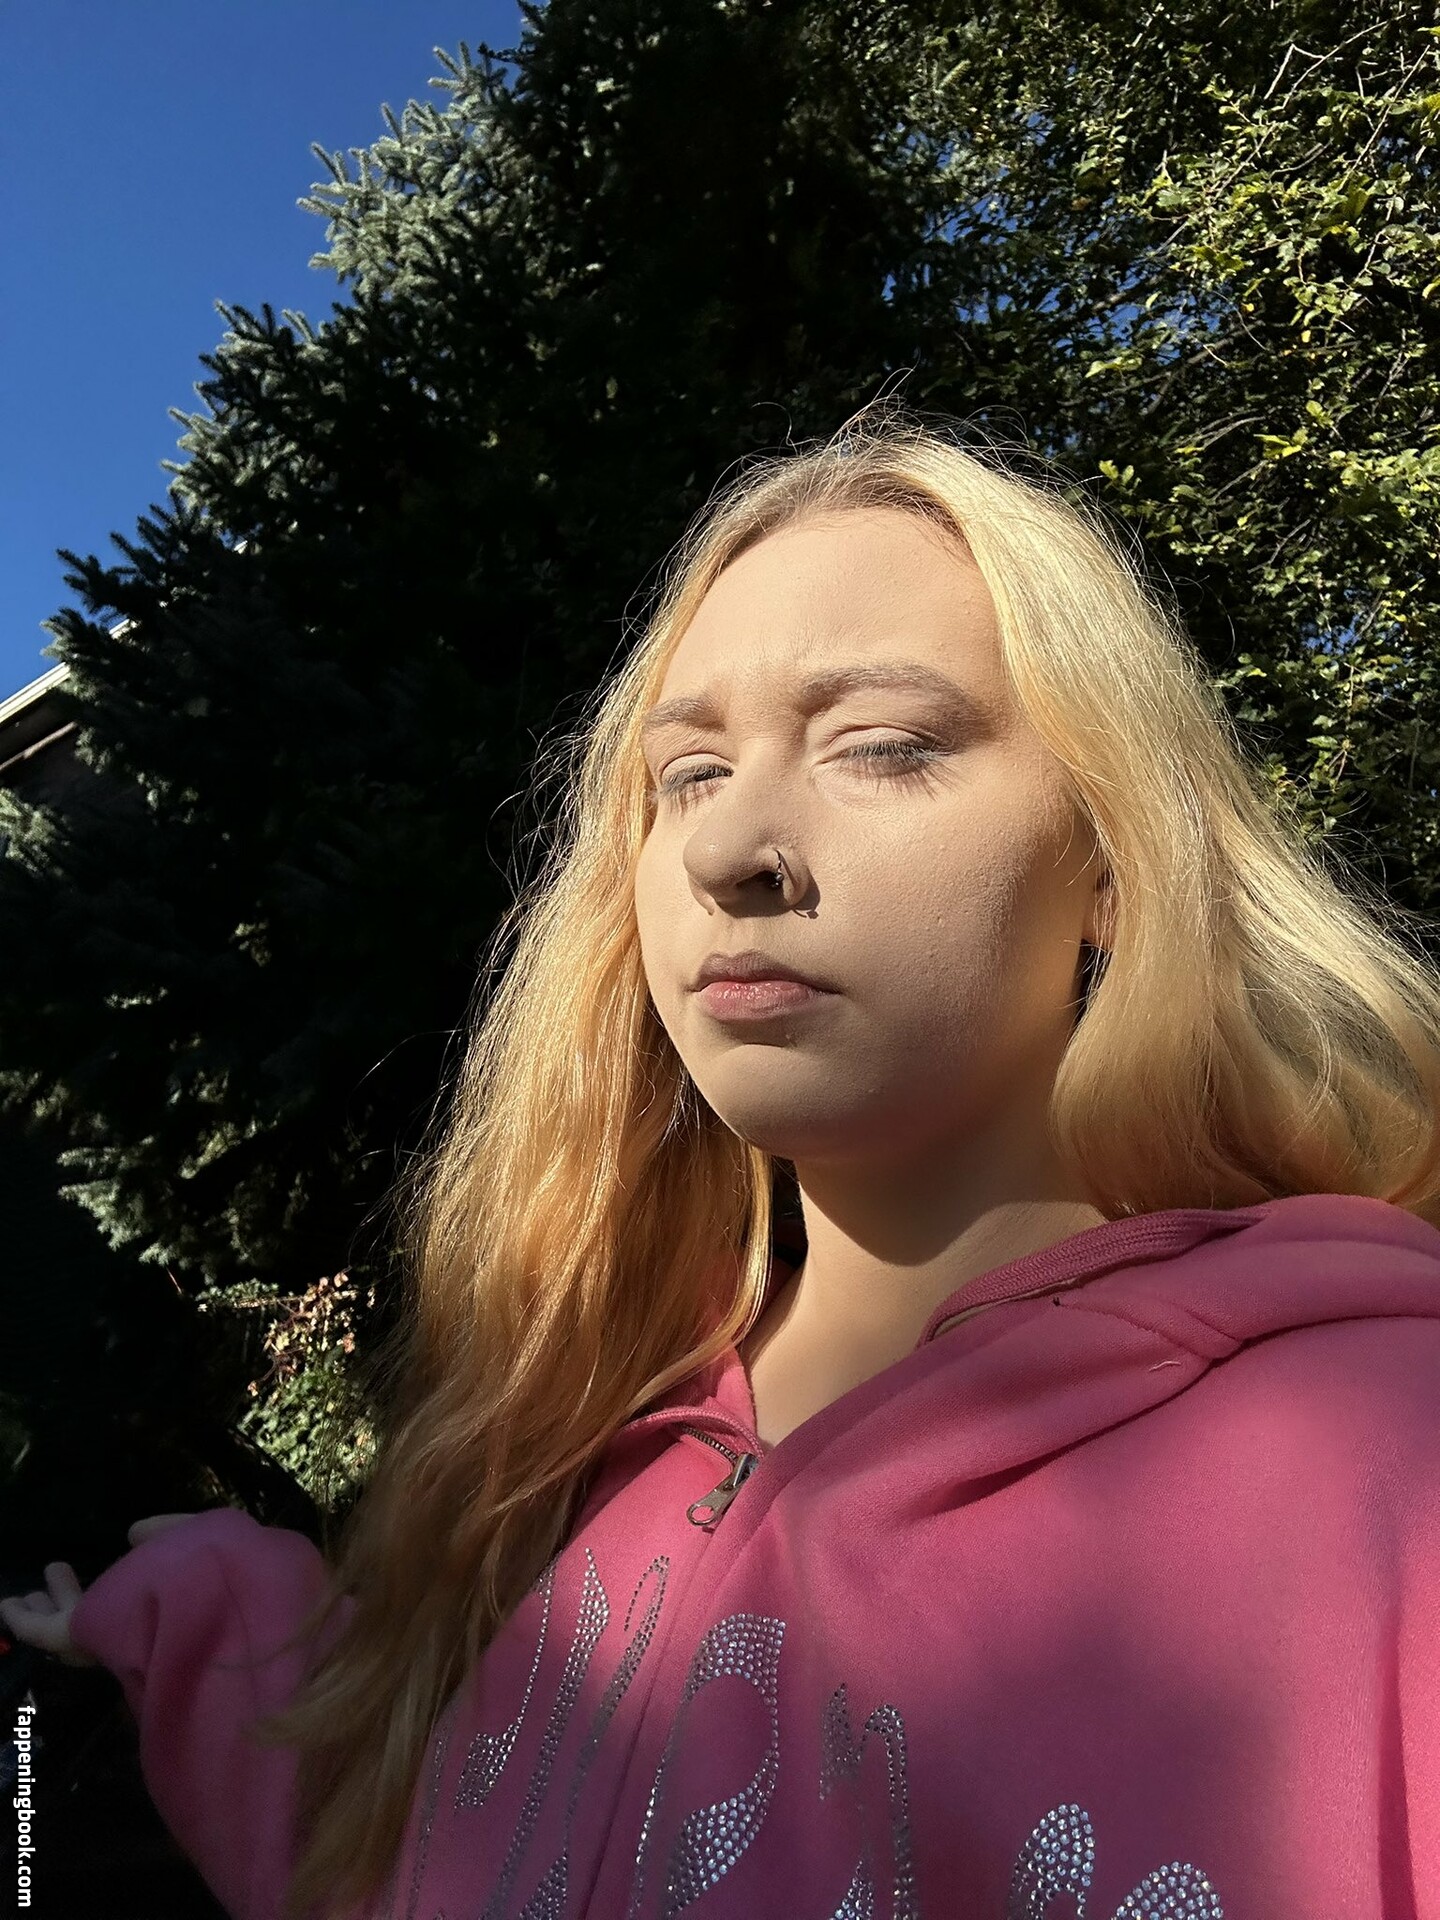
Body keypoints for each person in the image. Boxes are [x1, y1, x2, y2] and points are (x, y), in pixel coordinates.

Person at [6, 406, 1440, 1920]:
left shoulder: (1384, 1466)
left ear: (1110, 853)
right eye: (686, 775)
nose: (725, 848)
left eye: (881, 747)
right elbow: (379, 1852)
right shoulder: (568, 1459)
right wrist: (203, 1615)